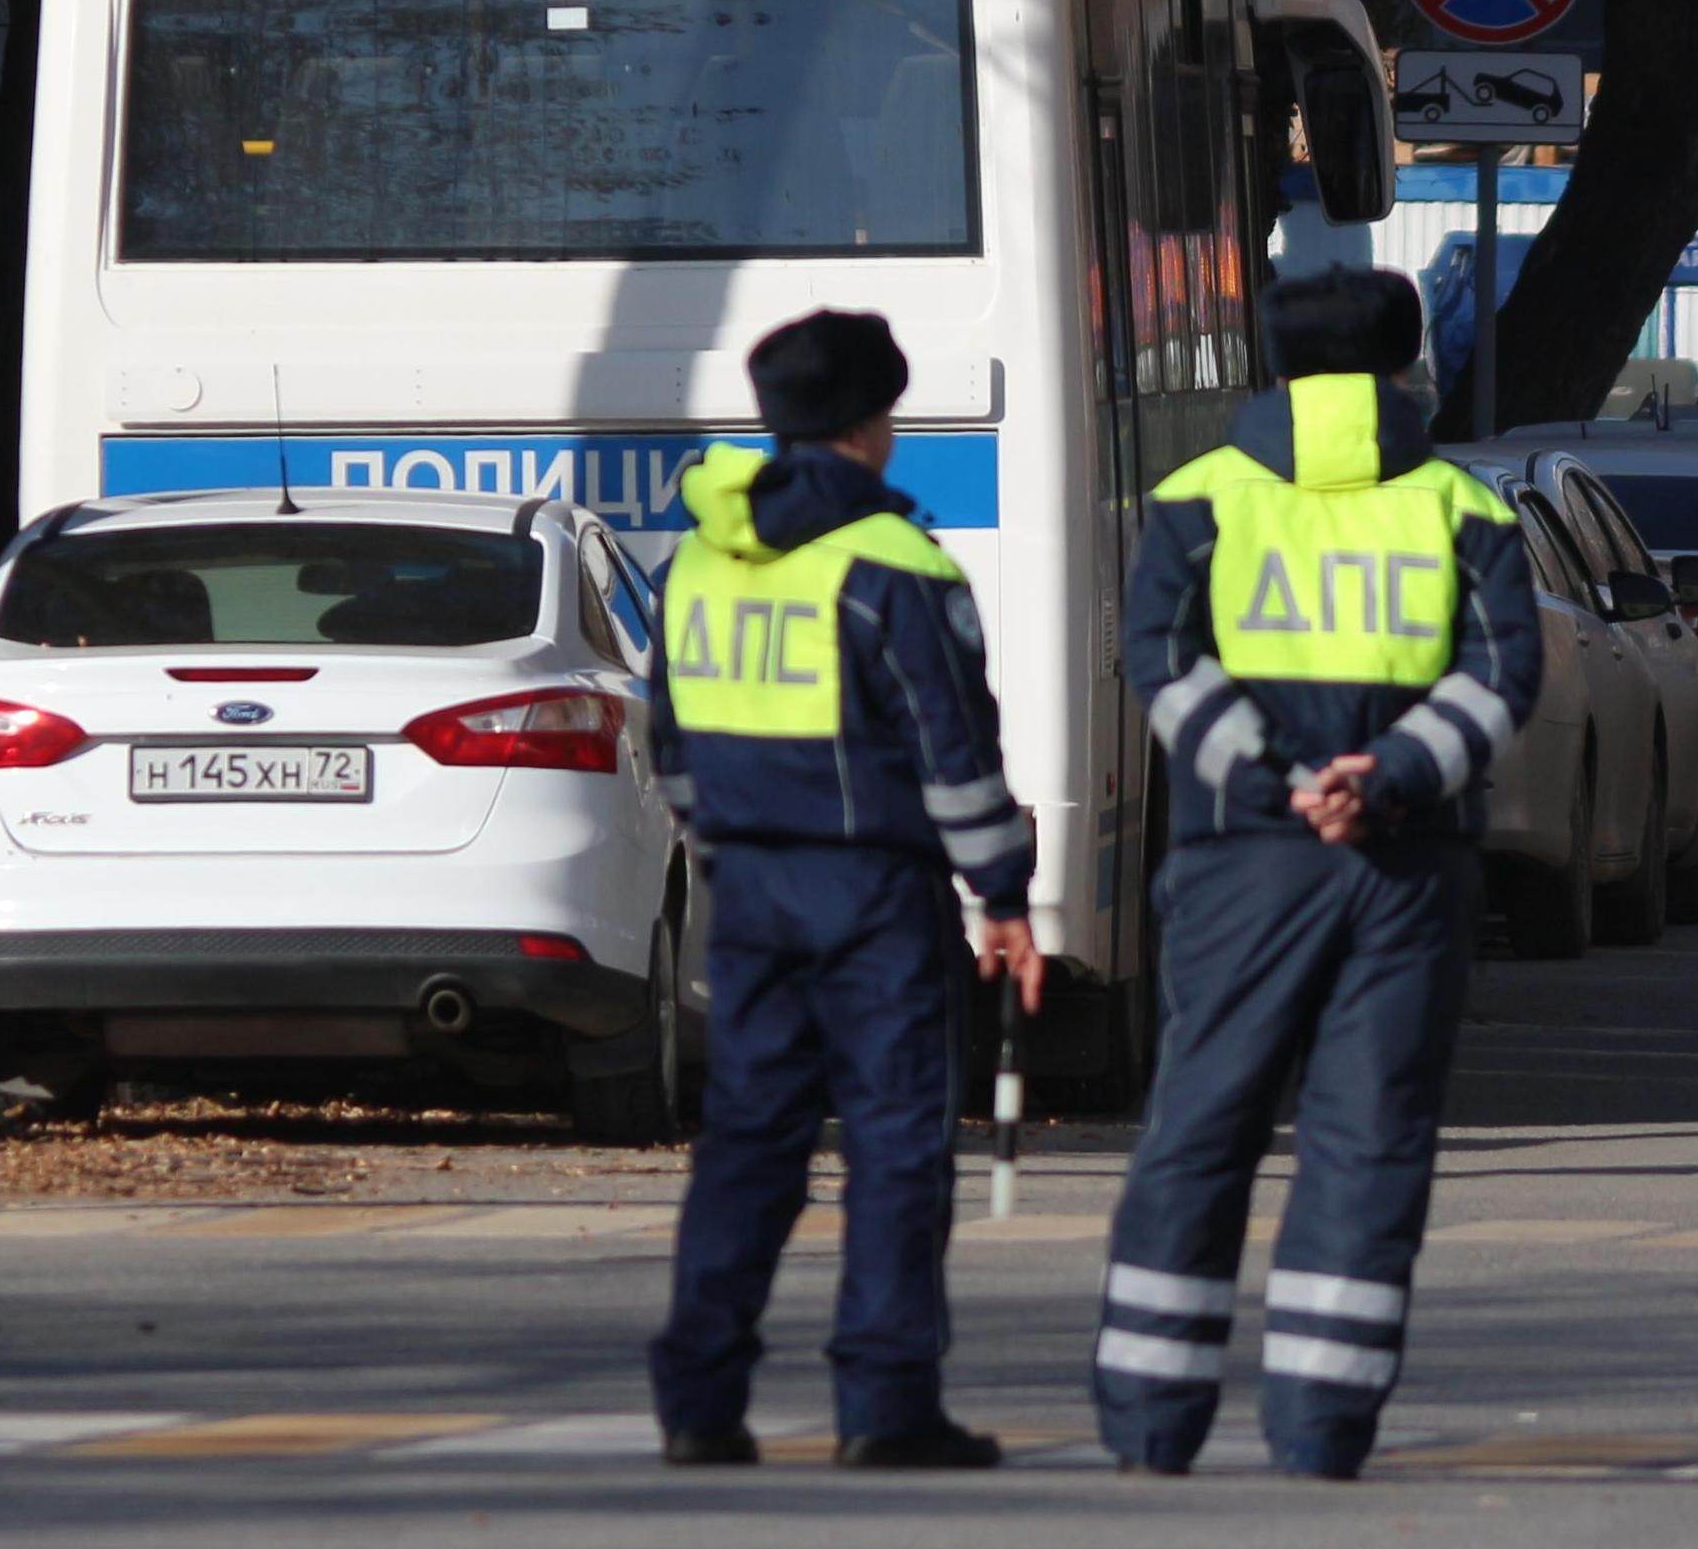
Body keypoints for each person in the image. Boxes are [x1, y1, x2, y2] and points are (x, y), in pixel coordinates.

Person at [1094, 269, 1537, 1479]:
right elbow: (1502, 683)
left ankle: (1147, 1425)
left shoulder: (1198, 500)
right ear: (1406, 367)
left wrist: (1276, 783)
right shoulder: (1462, 506)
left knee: (1197, 1126)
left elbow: (1162, 663)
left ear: (1273, 365)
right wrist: (1379, 777)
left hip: (1241, 862)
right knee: (1368, 1139)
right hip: (1405, 868)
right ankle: (1320, 1430)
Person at [646, 309, 1040, 1469]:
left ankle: (698, 1403)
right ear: (875, 426)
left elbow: (669, 741)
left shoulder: (699, 557)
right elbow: (952, 748)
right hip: (875, 895)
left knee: (746, 1147)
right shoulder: (897, 564)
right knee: (896, 1148)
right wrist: (1003, 895)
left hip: (749, 888)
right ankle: (883, 1407)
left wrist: (721, 849)